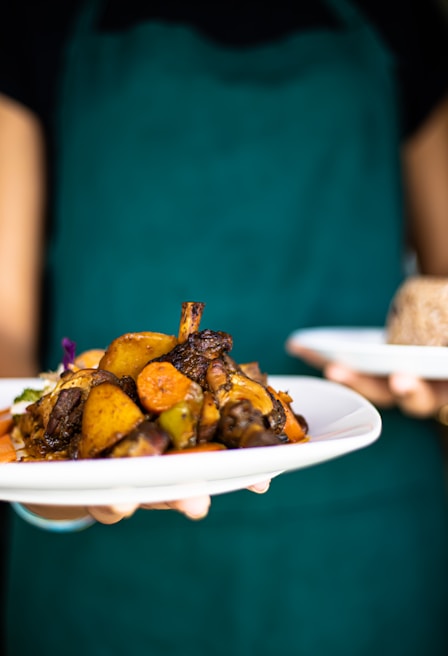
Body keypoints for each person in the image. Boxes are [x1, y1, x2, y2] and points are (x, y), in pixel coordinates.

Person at [1, 1, 448, 654]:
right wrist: (53, 480)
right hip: (97, 585)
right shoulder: (33, 19)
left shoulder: (400, 21)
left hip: (365, 557)